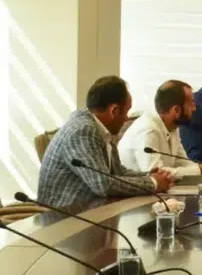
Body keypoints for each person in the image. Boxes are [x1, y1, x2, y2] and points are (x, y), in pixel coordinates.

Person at [37, 76, 174, 209]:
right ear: (114, 111)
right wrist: (153, 183)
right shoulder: (83, 131)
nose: (127, 118)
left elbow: (117, 172)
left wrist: (148, 175)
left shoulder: (100, 127)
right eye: (126, 111)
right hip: (63, 215)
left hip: (92, 209)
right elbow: (102, 184)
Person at [119, 80, 202, 178]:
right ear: (176, 110)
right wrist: (201, 169)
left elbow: (182, 162)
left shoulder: (173, 126)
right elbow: (156, 174)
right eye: (191, 103)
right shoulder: (148, 130)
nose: (194, 108)